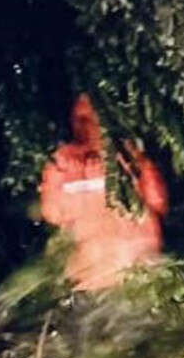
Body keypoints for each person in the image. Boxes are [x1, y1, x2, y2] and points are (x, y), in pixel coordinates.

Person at [39, 94, 168, 291]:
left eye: (91, 118)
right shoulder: (63, 160)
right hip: (94, 276)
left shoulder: (129, 155)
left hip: (133, 268)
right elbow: (52, 213)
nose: (86, 125)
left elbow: (157, 200)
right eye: (81, 119)